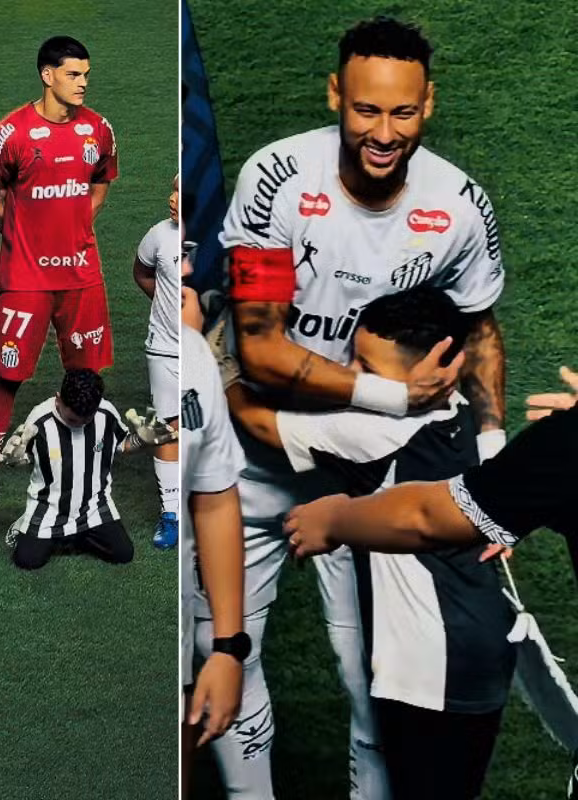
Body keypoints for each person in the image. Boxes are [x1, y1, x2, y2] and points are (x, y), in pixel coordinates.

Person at [211, 17, 506, 797]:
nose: (383, 132)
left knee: (375, 683)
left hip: (371, 479)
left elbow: (479, 329)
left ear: (428, 103)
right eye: (366, 109)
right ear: (335, 95)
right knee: (220, 651)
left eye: (403, 112)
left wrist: (494, 465)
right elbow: (261, 350)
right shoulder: (277, 178)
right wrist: (392, 392)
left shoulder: (459, 205)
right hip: (254, 463)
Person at [229, 287, 514, 800]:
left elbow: (259, 423)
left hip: (427, 668)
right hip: (485, 647)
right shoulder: (466, 415)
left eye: (367, 367)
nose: (351, 375)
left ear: (431, 368)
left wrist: (220, 365)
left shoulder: (378, 435)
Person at [0, 35, 119, 526]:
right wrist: (28, 239)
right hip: (26, 278)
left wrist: (74, 231)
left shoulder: (98, 129)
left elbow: (100, 184)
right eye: (73, 74)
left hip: (81, 276)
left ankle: (87, 476)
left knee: (88, 377)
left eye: (86, 74)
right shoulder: (10, 134)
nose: (83, 83)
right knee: (6, 377)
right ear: (47, 75)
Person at [0, 369, 173, 570]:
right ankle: (26, 525)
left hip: (93, 507)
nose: (80, 425)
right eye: (73, 420)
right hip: (48, 508)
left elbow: (122, 445)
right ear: (58, 399)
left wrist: (141, 440)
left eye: (86, 420)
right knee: (27, 560)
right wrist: (13, 459)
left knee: (123, 553)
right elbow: (21, 457)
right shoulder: (39, 420)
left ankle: (70, 535)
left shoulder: (105, 412)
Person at [179, 305, 247, 795]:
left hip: (178, 649)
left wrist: (228, 649)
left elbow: (217, 500)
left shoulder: (197, 355)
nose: (186, 272)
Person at [132, 174, 185, 548]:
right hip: (164, 348)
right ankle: (170, 514)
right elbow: (142, 273)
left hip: (208, 351)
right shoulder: (159, 235)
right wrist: (167, 309)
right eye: (172, 190)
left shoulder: (221, 237)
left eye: (181, 192)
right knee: (167, 427)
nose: (172, 198)